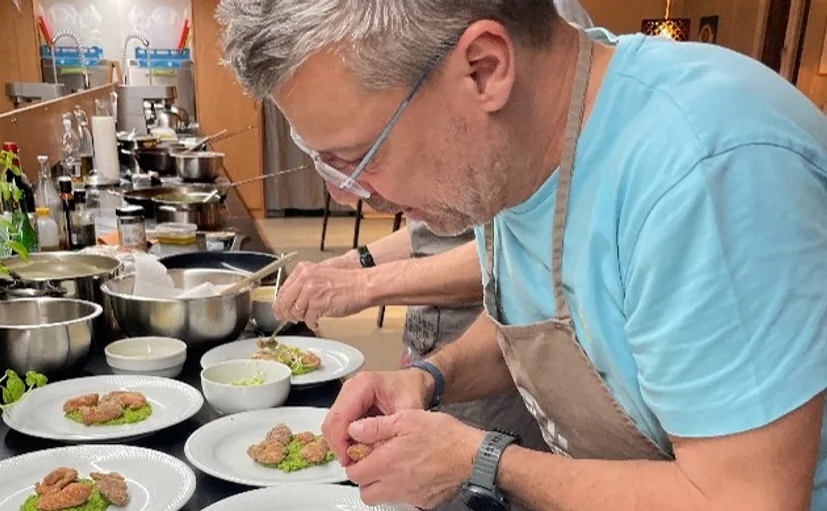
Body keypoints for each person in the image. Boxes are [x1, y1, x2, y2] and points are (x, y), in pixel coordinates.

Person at [219, 1, 827, 510]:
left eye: (359, 156)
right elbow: (546, 322)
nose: (349, 195)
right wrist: (429, 379)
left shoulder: (705, 173)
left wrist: (482, 461)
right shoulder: (515, 148)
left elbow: (746, 499)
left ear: (485, 69)